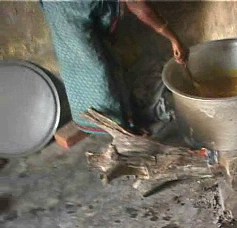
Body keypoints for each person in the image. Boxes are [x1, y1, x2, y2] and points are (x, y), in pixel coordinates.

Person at [41, 0, 188, 133]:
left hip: (84, 6)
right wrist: (173, 39)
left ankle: (124, 118)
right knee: (95, 68)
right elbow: (142, 8)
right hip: (66, 7)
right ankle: (110, 126)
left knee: (108, 59)